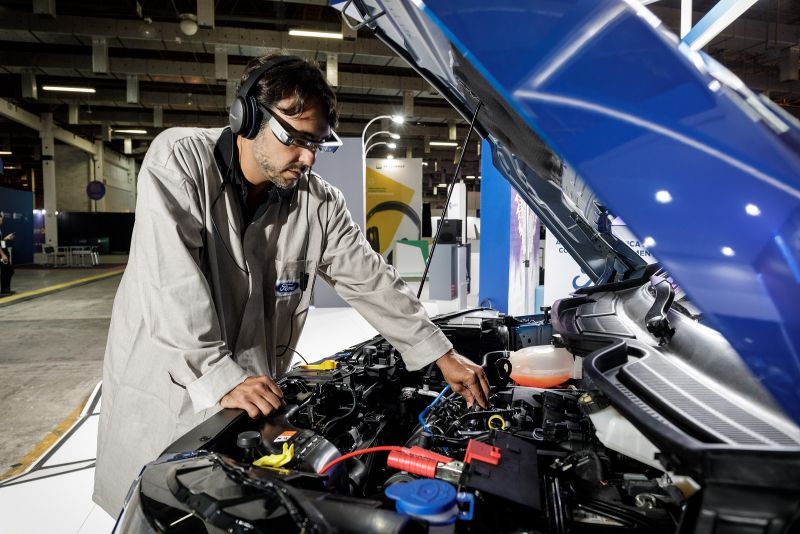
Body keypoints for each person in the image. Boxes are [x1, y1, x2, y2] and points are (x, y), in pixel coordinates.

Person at [93, 54, 490, 515]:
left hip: (251, 399)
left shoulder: (319, 202)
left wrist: (439, 352)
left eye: (318, 143)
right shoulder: (179, 161)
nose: (308, 157)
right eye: (295, 139)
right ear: (248, 117)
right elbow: (171, 283)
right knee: (164, 512)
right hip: (170, 392)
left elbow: (371, 279)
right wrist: (220, 376)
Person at [0, 212, 15, 295]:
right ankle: (4, 289)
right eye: (1, 217)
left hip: (2, 252)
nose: (2, 219)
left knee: (7, 270)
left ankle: (5, 289)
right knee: (8, 270)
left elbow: (0, 242)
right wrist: (2, 254)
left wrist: (6, 238)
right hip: (1, 253)